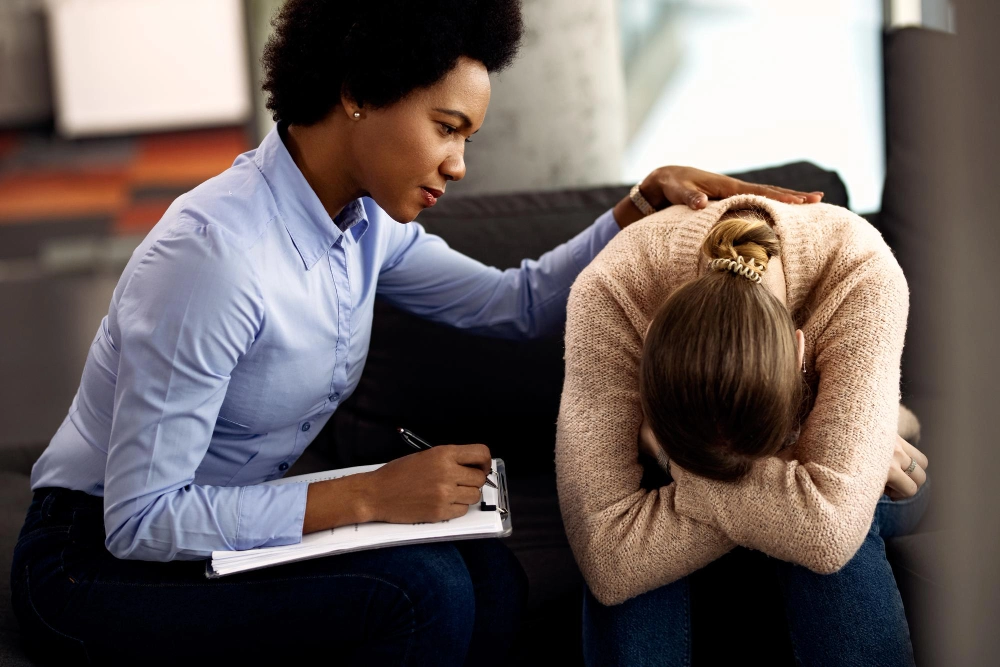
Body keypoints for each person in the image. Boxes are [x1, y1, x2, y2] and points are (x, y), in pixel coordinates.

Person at [9, 2, 825, 665]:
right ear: (360, 89)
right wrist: (372, 494)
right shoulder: (215, 257)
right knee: (420, 595)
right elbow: (141, 518)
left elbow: (520, 302)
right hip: (92, 564)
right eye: (446, 126)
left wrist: (640, 206)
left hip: (209, 542)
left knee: (491, 581)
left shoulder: (361, 223)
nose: (459, 163)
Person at [555, 196, 930, 666]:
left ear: (799, 353)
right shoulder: (611, 289)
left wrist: (669, 456)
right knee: (805, 522)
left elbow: (831, 533)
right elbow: (608, 559)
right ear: (649, 342)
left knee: (840, 532)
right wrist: (800, 478)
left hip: (890, 477)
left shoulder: (859, 266)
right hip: (803, 483)